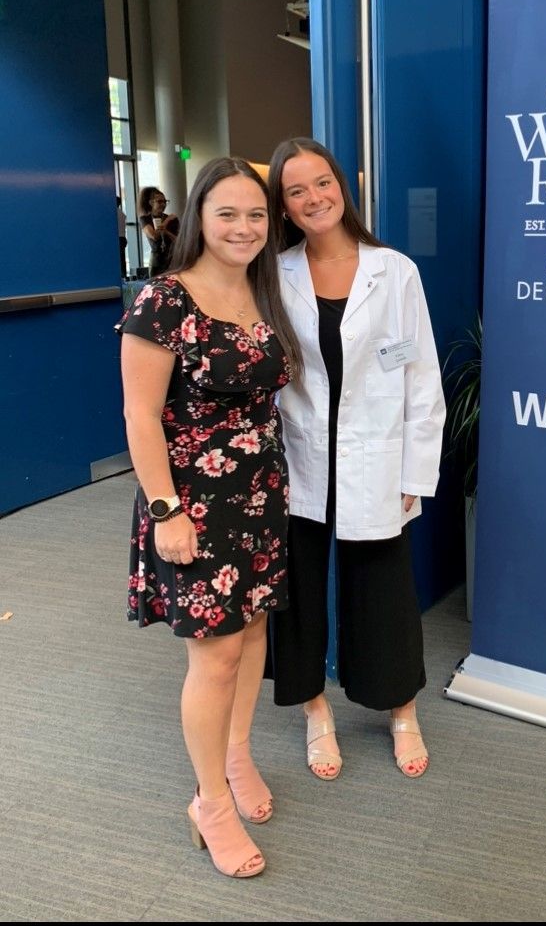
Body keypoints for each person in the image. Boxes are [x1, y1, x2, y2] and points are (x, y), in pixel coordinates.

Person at [116, 156, 302, 878]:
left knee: (252, 631)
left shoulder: (263, 288)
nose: (244, 227)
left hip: (260, 493)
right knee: (215, 654)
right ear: (199, 216)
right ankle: (210, 802)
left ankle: (236, 754)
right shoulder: (164, 300)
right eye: (228, 213)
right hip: (192, 502)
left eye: (256, 215)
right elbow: (139, 415)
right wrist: (166, 510)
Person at [266, 137, 445, 780]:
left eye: (322, 182)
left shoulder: (393, 271)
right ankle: (314, 709)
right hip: (301, 457)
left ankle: (401, 709)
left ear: (342, 186)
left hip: (376, 456)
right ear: (283, 206)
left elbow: (420, 374)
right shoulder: (274, 272)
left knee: (384, 588)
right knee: (298, 591)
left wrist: (415, 471)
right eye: (296, 190)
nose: (314, 198)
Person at [138, 185, 179, 277]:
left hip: (172, 258)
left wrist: (167, 232)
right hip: (156, 260)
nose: (163, 204)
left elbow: (178, 241)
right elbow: (154, 236)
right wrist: (167, 221)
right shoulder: (145, 219)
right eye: (159, 201)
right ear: (151, 203)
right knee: (156, 283)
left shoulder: (173, 219)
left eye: (165, 201)